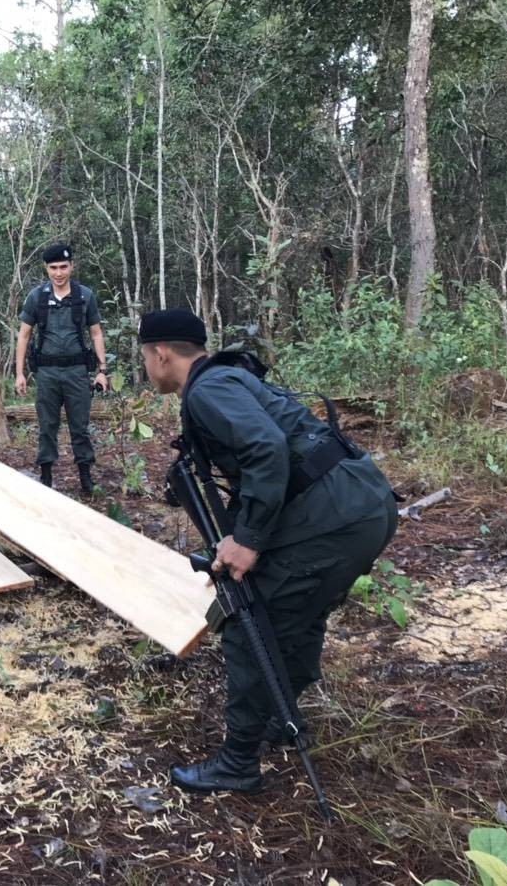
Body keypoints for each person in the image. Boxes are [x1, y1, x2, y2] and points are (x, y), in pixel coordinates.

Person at [137, 309, 398, 794]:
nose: (147, 368)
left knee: (248, 621)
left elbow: (267, 449)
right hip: (363, 505)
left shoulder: (209, 391)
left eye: (145, 359)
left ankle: (238, 762)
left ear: (161, 354)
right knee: (298, 612)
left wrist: (249, 540)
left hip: (334, 517)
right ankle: (281, 717)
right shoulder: (230, 377)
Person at [14, 243, 108, 494]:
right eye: (53, 268)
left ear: (72, 266)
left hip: (77, 371)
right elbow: (23, 335)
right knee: (47, 425)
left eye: (63, 267)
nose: (59, 273)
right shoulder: (37, 297)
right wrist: (20, 373)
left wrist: (102, 370)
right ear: (46, 269)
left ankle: (86, 477)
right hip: (47, 373)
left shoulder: (84, 296)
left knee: (80, 426)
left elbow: (96, 332)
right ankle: (45, 475)